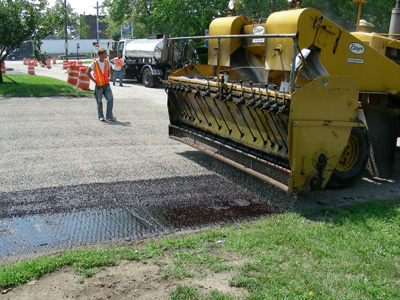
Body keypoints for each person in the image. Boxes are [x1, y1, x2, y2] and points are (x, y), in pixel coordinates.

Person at [86, 48, 117, 122]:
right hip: (99, 85)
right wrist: (94, 80)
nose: (106, 55)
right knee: (99, 101)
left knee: (110, 99)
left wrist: (110, 77)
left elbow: (111, 69)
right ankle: (100, 116)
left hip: (106, 84)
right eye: (105, 54)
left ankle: (109, 115)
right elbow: (87, 72)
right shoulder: (94, 63)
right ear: (100, 55)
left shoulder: (107, 62)